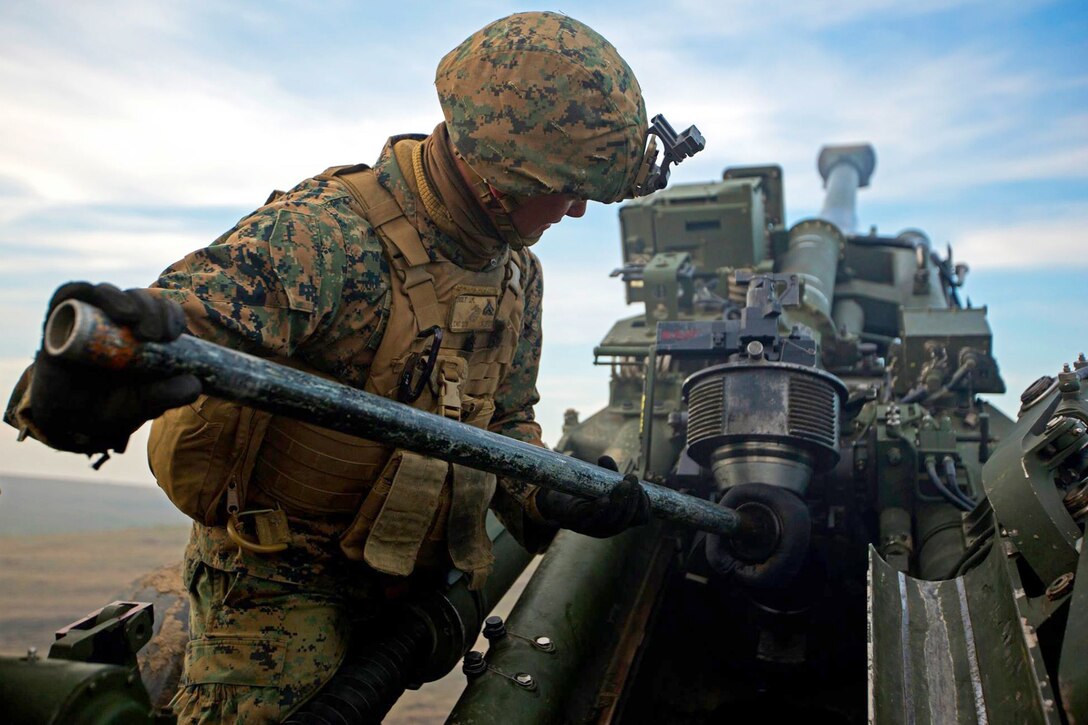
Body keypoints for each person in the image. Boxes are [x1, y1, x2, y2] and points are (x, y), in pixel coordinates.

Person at [5, 11, 685, 723]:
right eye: (568, 185)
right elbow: (170, 327)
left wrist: (553, 495)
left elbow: (506, 423)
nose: (577, 209)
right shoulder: (329, 237)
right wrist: (73, 392)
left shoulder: (519, 276)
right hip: (279, 581)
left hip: (404, 580)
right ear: (499, 175)